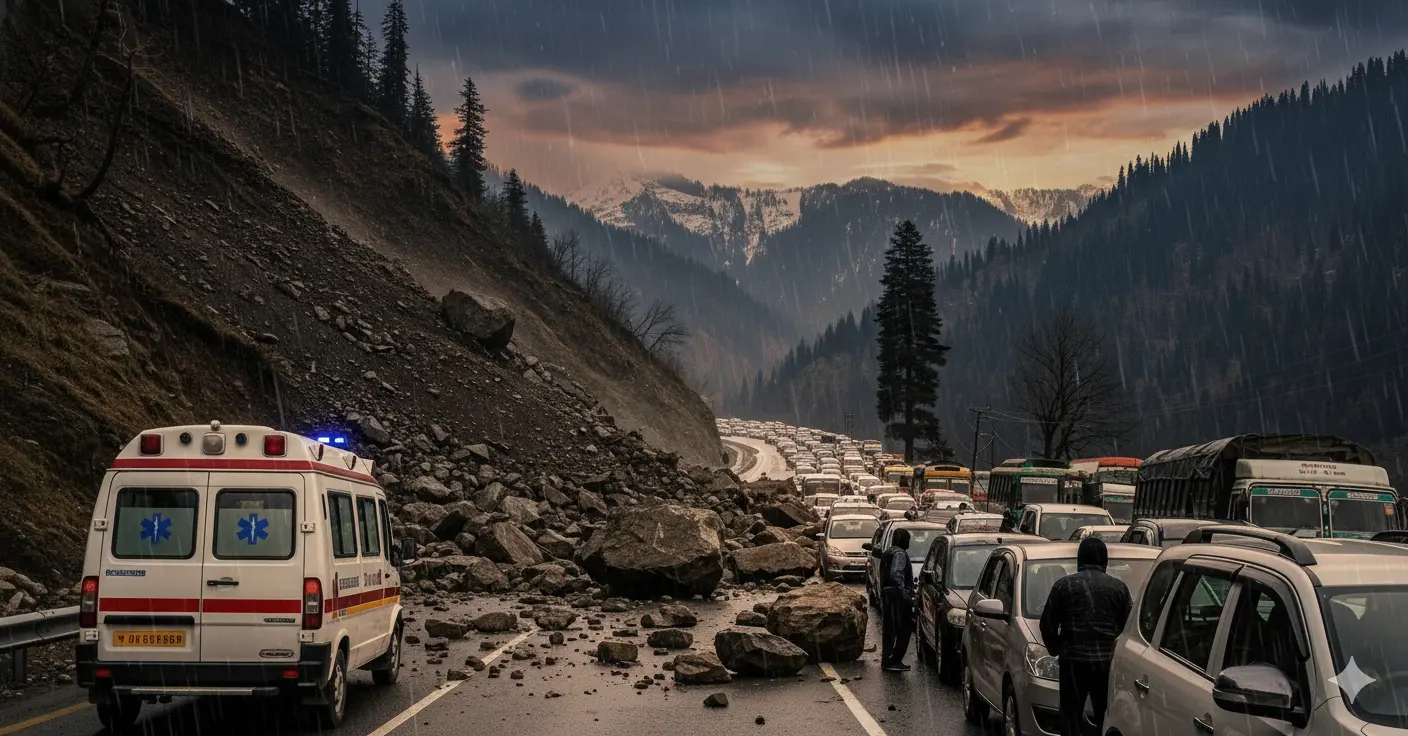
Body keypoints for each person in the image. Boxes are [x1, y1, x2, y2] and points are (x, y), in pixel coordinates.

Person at [1039, 537, 1132, 736]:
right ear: (1104, 560)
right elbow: (1128, 629)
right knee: (1106, 716)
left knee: (1071, 717)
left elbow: (1047, 625)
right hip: (1106, 664)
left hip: (1073, 662)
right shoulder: (1120, 589)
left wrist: (1056, 649)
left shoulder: (1063, 586)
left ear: (1079, 559)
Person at [879, 528, 916, 672]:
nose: (909, 542)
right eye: (908, 539)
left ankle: (888, 660)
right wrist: (905, 594)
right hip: (896, 598)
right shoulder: (900, 554)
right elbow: (896, 574)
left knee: (889, 629)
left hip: (887, 595)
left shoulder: (888, 552)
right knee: (902, 630)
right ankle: (894, 660)